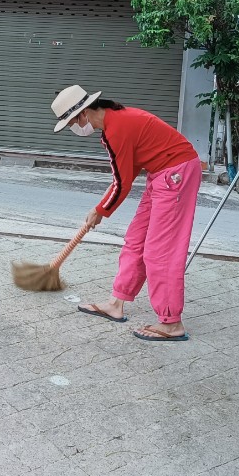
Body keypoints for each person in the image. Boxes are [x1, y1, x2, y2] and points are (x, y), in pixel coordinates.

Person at [50, 84, 202, 342]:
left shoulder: (117, 128)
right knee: (135, 240)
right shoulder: (113, 124)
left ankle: (171, 323)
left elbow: (122, 184)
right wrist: (100, 208)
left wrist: (101, 210)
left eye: (72, 122)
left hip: (176, 174)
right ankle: (116, 304)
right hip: (160, 175)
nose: (74, 128)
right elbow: (123, 177)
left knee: (160, 251)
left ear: (83, 113)